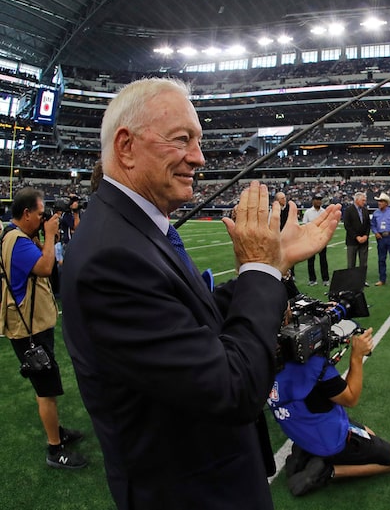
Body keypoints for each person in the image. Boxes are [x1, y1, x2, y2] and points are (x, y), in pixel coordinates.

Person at [60, 78, 341, 510]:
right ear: (126, 146)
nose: (199, 156)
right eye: (182, 140)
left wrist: (275, 265)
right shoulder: (110, 257)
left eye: (199, 140)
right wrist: (259, 268)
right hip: (191, 491)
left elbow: (197, 317)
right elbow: (233, 388)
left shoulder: (134, 228)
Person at [0, 188, 87, 470]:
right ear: (26, 214)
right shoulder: (18, 241)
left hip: (30, 324)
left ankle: (57, 431)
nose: (42, 218)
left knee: (46, 385)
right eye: (39, 215)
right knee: (46, 390)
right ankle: (54, 449)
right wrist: (49, 235)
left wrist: (45, 235)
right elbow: (46, 267)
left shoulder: (15, 236)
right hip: (30, 329)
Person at [268, 327, 390, 496]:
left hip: (299, 428)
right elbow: (351, 398)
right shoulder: (313, 366)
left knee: (369, 433)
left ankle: (305, 452)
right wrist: (357, 356)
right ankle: (327, 471)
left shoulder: (257, 359)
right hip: (330, 439)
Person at [370, 192, 390, 287]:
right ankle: (382, 279)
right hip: (381, 238)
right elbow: (373, 224)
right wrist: (375, 232)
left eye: (381, 201)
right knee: (381, 259)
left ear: (386, 203)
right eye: (379, 201)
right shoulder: (376, 213)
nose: (379, 203)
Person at [303, 194, 330, 287]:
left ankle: (325, 279)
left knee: (323, 260)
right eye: (317, 199)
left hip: (321, 238)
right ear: (313, 201)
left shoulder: (324, 211)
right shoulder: (308, 212)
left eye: (320, 199)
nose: (319, 201)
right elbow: (304, 225)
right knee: (311, 260)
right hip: (311, 239)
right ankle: (312, 279)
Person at [344, 191, 370, 269]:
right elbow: (347, 226)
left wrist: (366, 235)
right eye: (363, 200)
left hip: (364, 241)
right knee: (351, 263)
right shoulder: (348, 210)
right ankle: (351, 280)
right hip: (352, 241)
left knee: (363, 263)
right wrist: (357, 237)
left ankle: (362, 280)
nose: (364, 202)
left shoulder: (365, 210)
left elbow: (368, 224)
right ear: (356, 200)